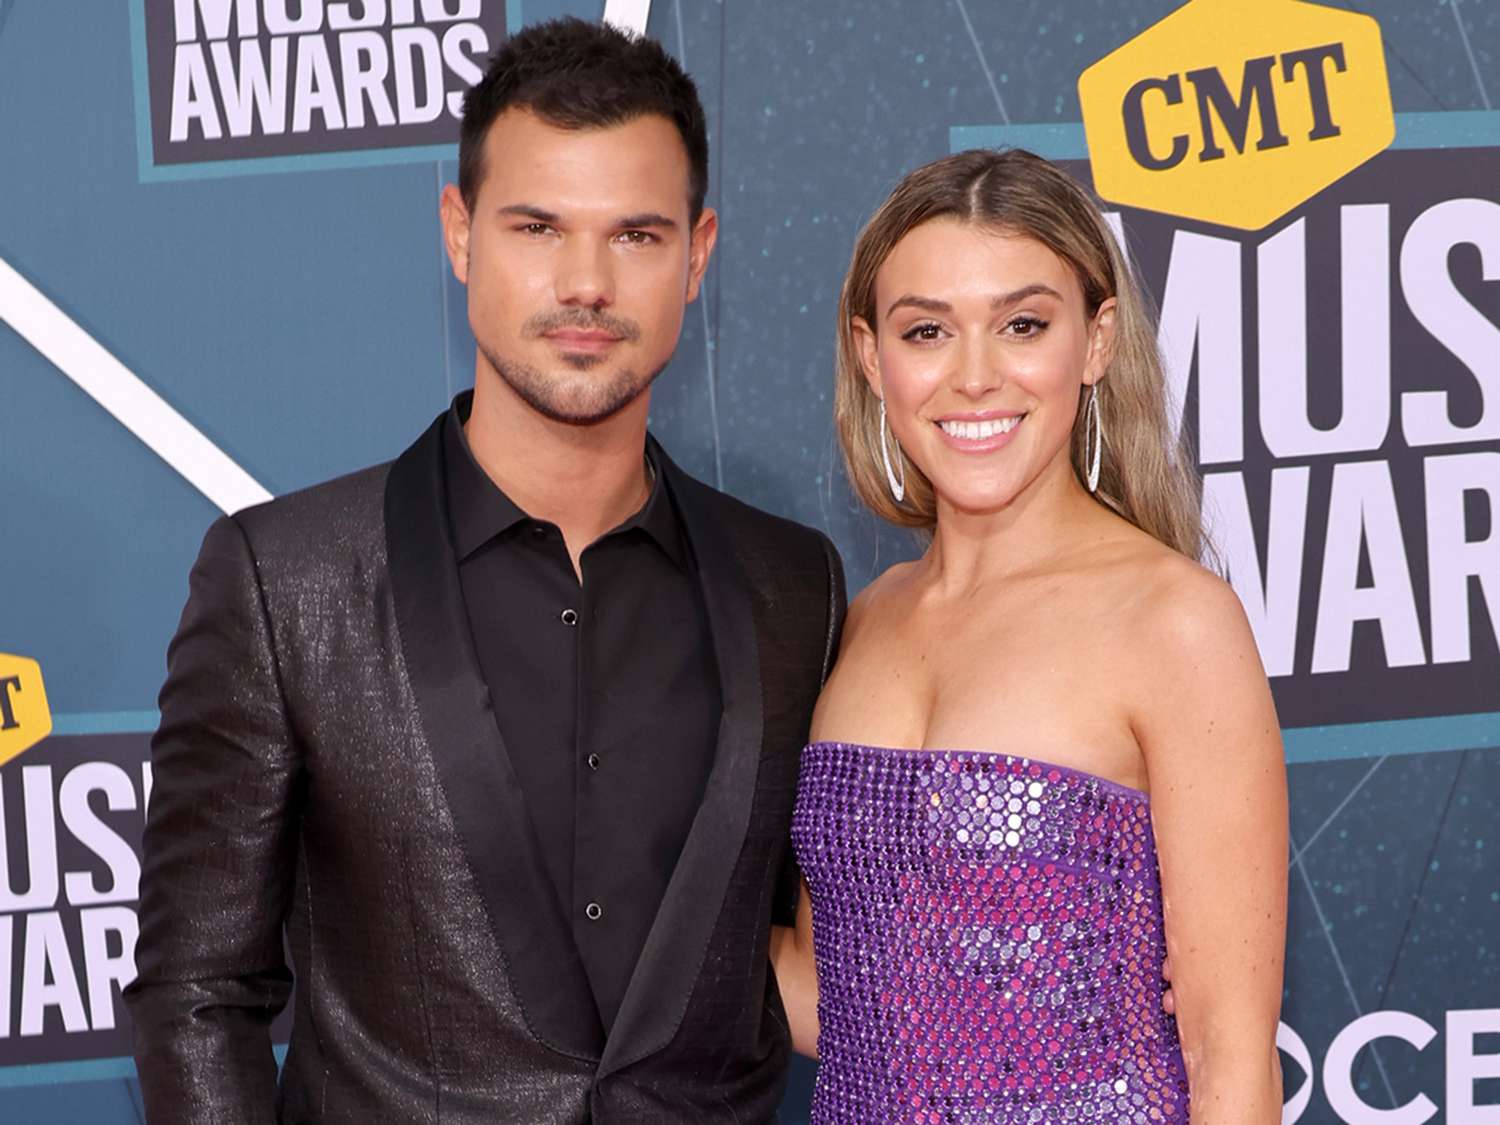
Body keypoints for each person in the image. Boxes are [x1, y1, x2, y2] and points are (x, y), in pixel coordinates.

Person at [125, 18, 844, 1123]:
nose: (587, 283)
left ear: (698, 255)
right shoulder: (285, 583)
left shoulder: (795, 586)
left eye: (637, 236)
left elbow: (830, 948)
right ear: (461, 234)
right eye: (538, 227)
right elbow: (198, 994)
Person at [770, 149, 1287, 1123]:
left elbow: (1230, 1061)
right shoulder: (864, 617)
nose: (974, 377)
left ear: (1094, 343)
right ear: (873, 356)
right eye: (928, 330)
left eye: (1022, 325)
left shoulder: (1173, 622)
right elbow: (838, 1001)